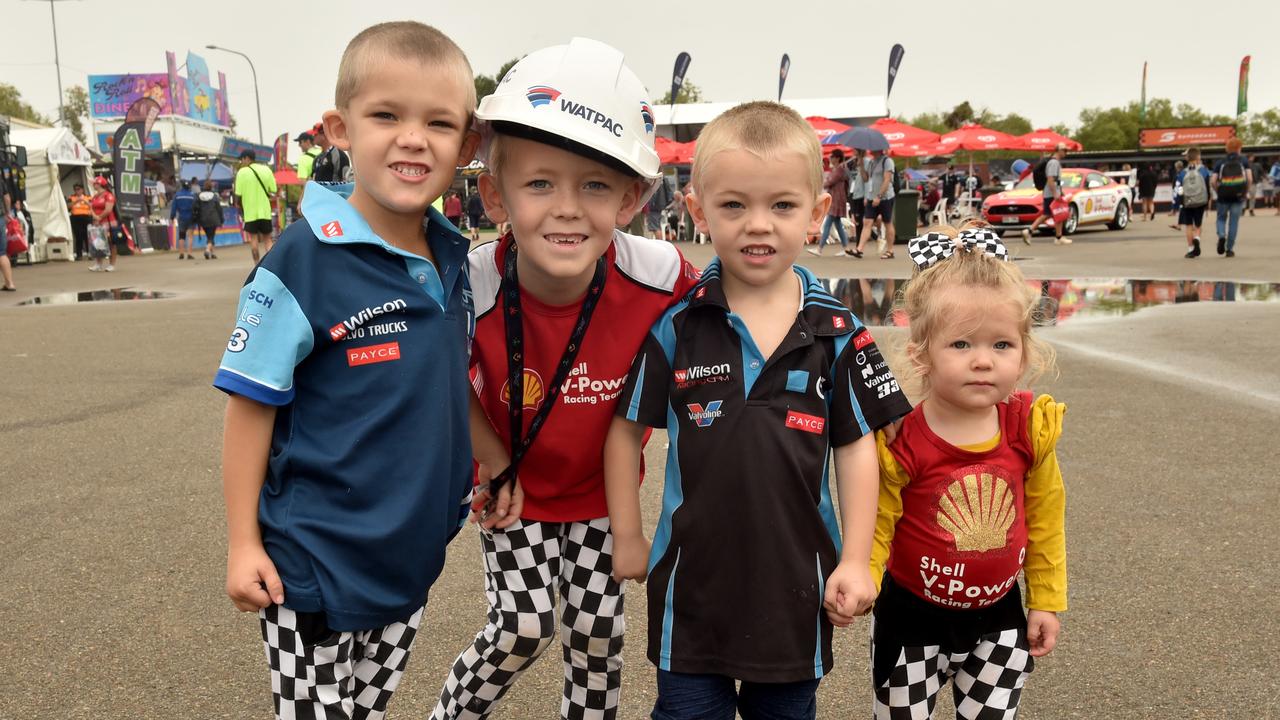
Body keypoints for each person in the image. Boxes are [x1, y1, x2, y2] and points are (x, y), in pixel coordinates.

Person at [604, 101, 911, 720]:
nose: (758, 225)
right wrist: (629, 535)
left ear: (818, 212)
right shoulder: (679, 326)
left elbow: (856, 451)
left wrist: (855, 559)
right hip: (692, 590)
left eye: (782, 206)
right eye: (734, 205)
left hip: (795, 592)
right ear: (697, 211)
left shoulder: (837, 332)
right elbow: (623, 429)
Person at [213, 21, 482, 720]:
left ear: (467, 144)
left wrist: (494, 467)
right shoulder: (299, 262)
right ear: (340, 128)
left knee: (368, 711)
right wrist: (243, 543)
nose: (413, 137)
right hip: (311, 567)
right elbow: (250, 405)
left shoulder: (455, 259)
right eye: (386, 115)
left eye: (439, 122)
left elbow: (447, 390)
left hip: (409, 560)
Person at [429, 38, 700, 720]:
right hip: (512, 487)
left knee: (598, 636)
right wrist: (493, 462)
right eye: (540, 183)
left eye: (596, 185)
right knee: (522, 628)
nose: (568, 207)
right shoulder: (471, 282)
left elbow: (740, 321)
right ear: (494, 194)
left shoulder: (663, 275)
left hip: (603, 496)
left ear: (632, 197)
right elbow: (439, 377)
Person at [870, 223, 1067, 719]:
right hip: (910, 616)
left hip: (1000, 618)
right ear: (921, 353)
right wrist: (864, 579)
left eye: (1002, 345)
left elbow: (1046, 520)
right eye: (961, 345)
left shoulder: (1028, 428)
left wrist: (1045, 600)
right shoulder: (902, 439)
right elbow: (878, 521)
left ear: (1023, 352)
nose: (983, 361)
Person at [1210, 137, 1252, 257]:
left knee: (1221, 218)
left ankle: (1222, 235)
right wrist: (1245, 192)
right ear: (1239, 148)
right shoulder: (1244, 161)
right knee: (1234, 222)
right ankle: (1229, 249)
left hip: (1223, 196)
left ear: (1227, 149)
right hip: (1238, 197)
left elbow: (1213, 181)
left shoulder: (1220, 162)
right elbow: (1249, 179)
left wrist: (1218, 191)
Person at [1021, 143, 1070, 246]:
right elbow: (1051, 179)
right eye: (1064, 150)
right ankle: (1030, 231)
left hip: (1052, 192)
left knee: (1055, 214)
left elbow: (1055, 180)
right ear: (1058, 151)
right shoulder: (1053, 163)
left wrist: (1060, 191)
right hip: (1051, 193)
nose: (1066, 152)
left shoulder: (1054, 162)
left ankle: (1058, 236)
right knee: (1052, 214)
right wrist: (1055, 193)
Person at [233, 150, 278, 262]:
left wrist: (238, 204)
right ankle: (271, 265)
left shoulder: (242, 172)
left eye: (242, 159)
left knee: (253, 240)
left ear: (247, 158)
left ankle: (256, 265)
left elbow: (238, 193)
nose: (242, 162)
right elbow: (273, 189)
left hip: (250, 213)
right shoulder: (266, 169)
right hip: (265, 212)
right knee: (267, 239)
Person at [854, 148, 897, 258]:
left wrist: (879, 196)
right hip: (871, 197)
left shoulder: (887, 161)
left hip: (885, 197)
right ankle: (859, 249)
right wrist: (861, 165)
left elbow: (887, 180)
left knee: (887, 222)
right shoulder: (872, 162)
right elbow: (866, 178)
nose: (869, 149)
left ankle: (890, 250)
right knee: (867, 222)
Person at [809, 148, 850, 256]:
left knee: (828, 224)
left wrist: (824, 182)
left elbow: (830, 181)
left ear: (837, 158)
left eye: (832, 157)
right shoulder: (840, 168)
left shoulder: (840, 169)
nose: (830, 159)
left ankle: (819, 248)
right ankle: (846, 248)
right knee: (837, 224)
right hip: (837, 198)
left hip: (836, 199)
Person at [1175, 148, 1212, 258]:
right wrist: (1207, 200)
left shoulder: (1182, 173)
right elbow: (1207, 187)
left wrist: (1181, 202)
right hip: (1200, 201)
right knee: (1198, 224)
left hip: (1187, 202)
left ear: (1187, 158)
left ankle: (1191, 249)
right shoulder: (1203, 171)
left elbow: (1179, 189)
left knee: (1189, 226)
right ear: (1198, 157)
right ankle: (1197, 238)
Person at [89, 176, 121, 272]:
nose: (94, 185)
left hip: (109, 222)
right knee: (98, 243)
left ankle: (112, 264)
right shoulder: (95, 196)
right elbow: (91, 207)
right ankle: (98, 264)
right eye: (94, 183)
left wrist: (99, 217)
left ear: (100, 184)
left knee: (111, 243)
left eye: (96, 183)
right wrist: (94, 217)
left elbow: (108, 209)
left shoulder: (108, 195)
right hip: (97, 222)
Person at [193, 179, 223, 259]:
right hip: (213, 218)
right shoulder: (214, 196)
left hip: (203, 219)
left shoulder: (199, 196)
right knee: (211, 236)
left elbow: (195, 207)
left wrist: (196, 217)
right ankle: (207, 250)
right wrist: (221, 220)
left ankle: (212, 253)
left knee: (208, 235)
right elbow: (219, 209)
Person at [170, 178, 197, 259]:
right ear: (189, 186)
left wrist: (172, 217)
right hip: (191, 217)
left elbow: (173, 207)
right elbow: (196, 207)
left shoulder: (177, 195)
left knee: (182, 235)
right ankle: (189, 253)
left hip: (181, 217)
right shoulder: (193, 195)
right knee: (190, 236)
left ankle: (181, 253)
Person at [67, 182, 93, 261]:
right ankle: (79, 254)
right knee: (78, 236)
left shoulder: (88, 197)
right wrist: (76, 201)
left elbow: (93, 206)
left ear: (82, 190)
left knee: (87, 236)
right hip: (76, 217)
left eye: (78, 189)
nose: (77, 191)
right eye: (75, 190)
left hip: (86, 217)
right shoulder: (71, 197)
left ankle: (90, 253)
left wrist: (85, 201)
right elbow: (68, 206)